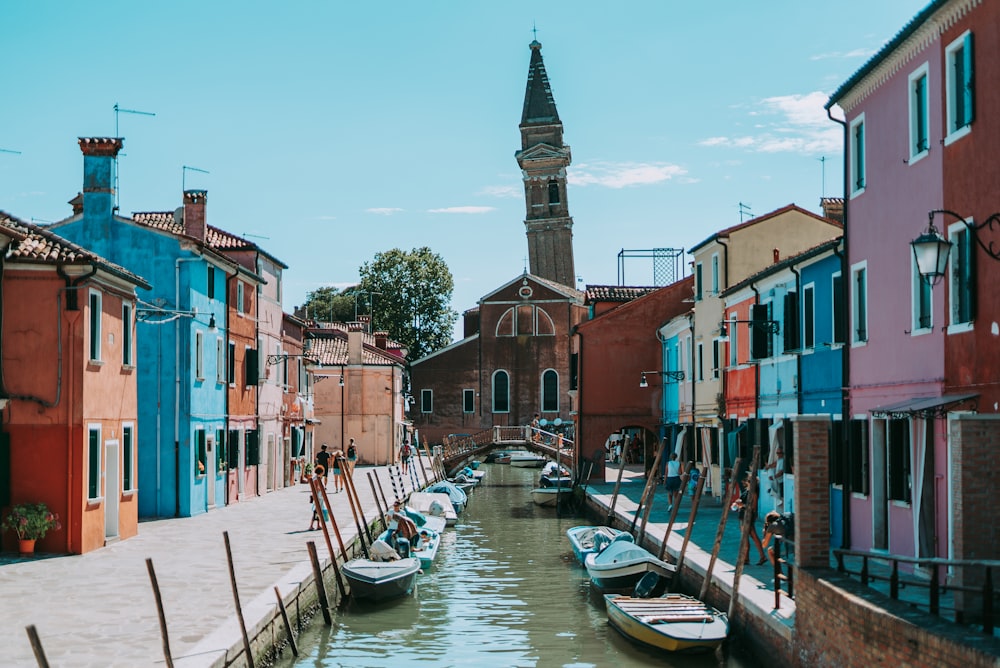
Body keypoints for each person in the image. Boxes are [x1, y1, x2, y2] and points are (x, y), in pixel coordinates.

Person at [731, 474, 768, 565]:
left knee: (751, 537)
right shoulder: (747, 491)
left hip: (748, 517)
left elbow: (753, 507)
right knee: (748, 537)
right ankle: (749, 557)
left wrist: (742, 505)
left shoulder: (753, 493)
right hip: (743, 515)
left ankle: (759, 556)